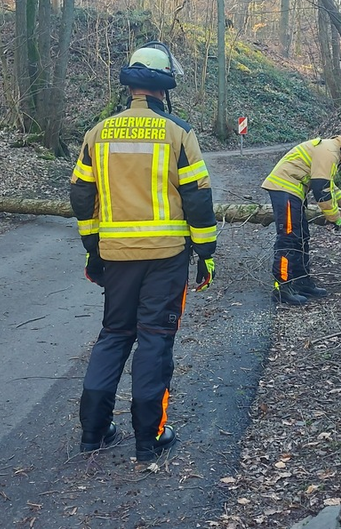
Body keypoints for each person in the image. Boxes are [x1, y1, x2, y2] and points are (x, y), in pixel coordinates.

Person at [70, 41, 217, 462]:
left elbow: (81, 195)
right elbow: (198, 198)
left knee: (114, 335)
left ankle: (93, 432)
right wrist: (206, 252)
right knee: (155, 339)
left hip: (115, 255)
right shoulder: (177, 131)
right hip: (167, 256)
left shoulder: (98, 133)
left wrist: (92, 248)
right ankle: (148, 439)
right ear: (164, 86)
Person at [261, 121, 341, 305]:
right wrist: (337, 220)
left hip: (293, 191)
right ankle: (282, 288)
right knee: (288, 238)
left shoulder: (330, 149)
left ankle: (302, 282)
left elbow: (328, 185)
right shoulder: (329, 151)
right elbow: (321, 191)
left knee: (301, 237)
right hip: (285, 188)